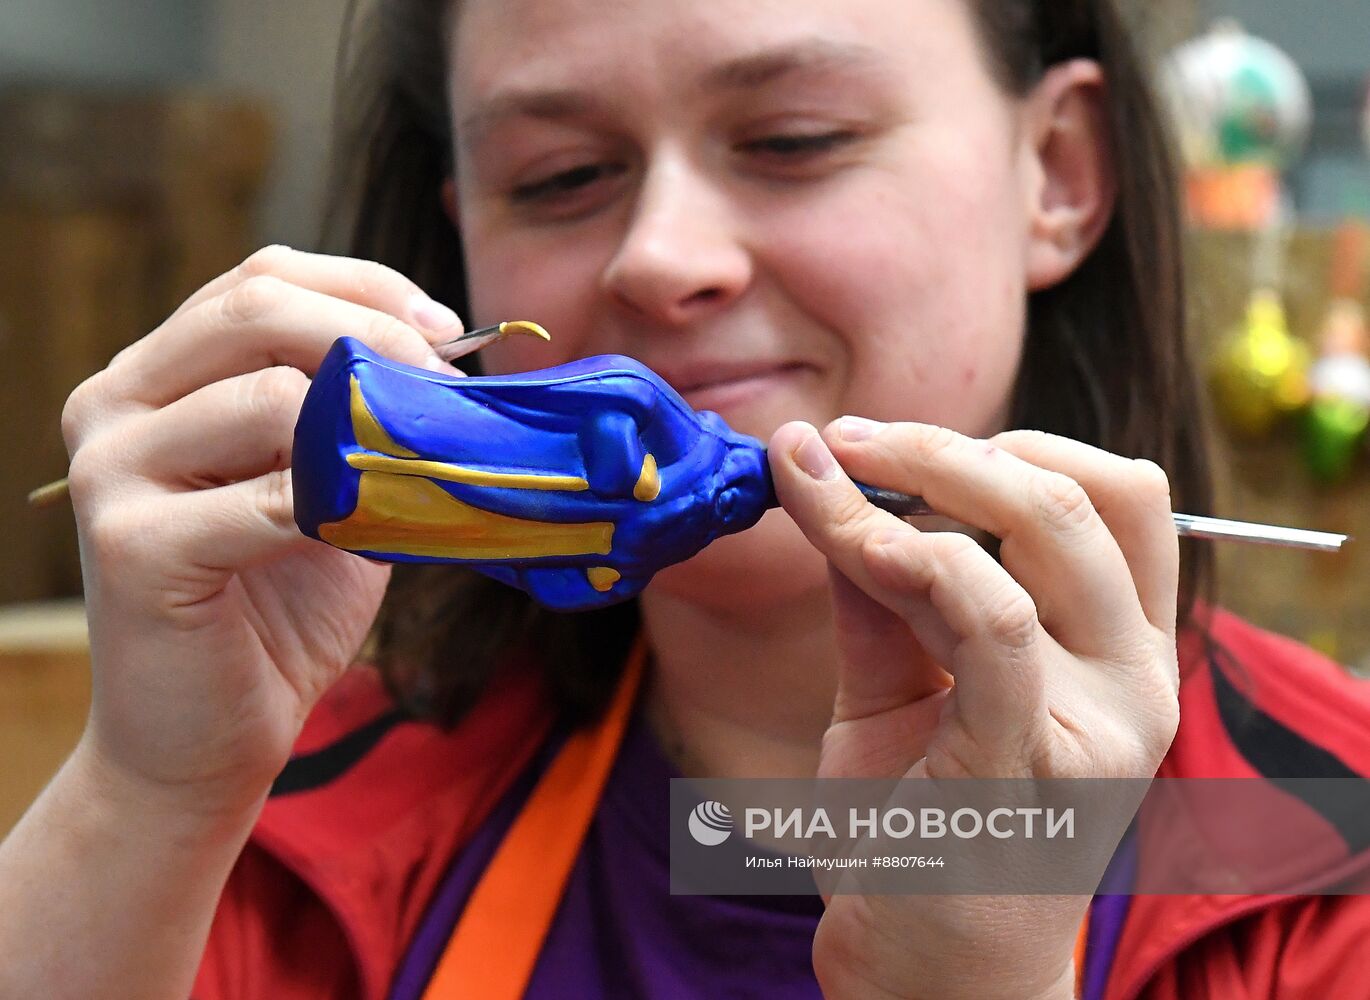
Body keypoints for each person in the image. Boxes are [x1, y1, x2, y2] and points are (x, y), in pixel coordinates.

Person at [3, 0, 1369, 997]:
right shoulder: (288, 828)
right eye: (560, 177)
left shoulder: (1326, 843)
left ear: (1056, 175)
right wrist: (148, 801)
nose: (660, 259)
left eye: (790, 139)